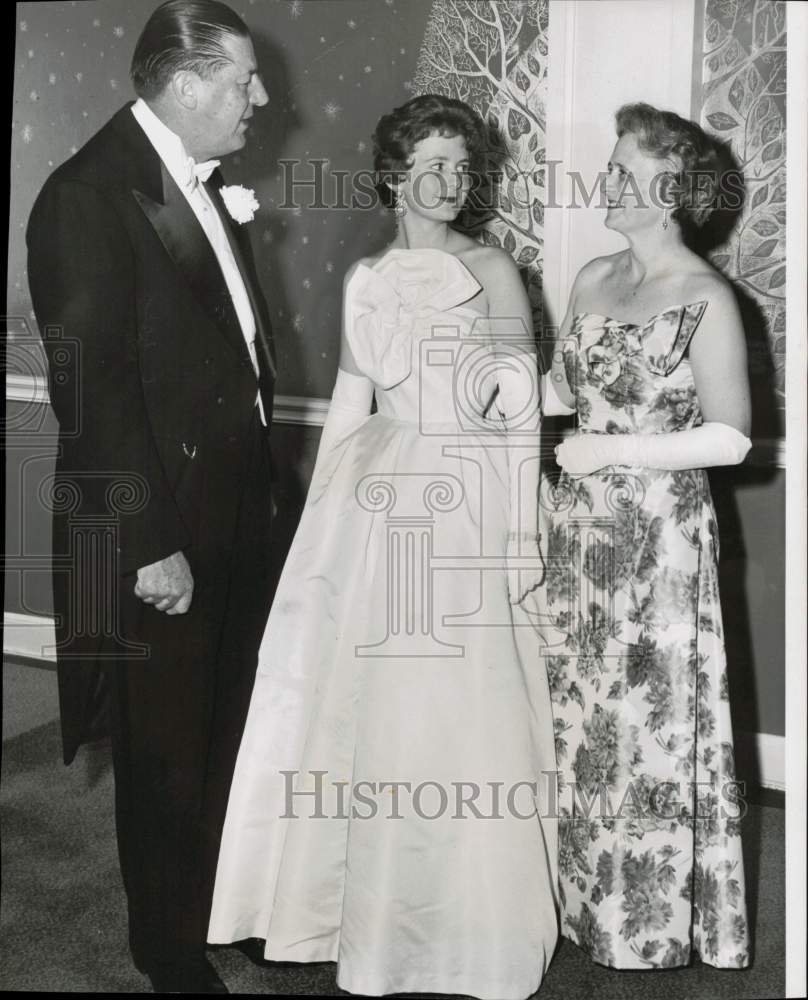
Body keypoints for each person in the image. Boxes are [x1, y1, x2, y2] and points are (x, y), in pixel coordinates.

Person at [208, 94, 559, 999]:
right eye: (430, 166)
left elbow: (519, 418)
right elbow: (352, 399)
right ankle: (340, 910)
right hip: (375, 498)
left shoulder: (495, 270)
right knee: (353, 698)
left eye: (461, 166)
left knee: (454, 708)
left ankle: (460, 922)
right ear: (395, 176)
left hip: (469, 494)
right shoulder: (366, 276)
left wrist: (517, 535)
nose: (448, 183)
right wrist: (316, 523)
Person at [26, 1, 275, 991]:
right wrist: (146, 543)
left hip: (234, 507)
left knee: (228, 726)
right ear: (182, 83)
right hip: (157, 527)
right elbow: (95, 392)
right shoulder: (86, 195)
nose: (259, 96)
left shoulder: (199, 184)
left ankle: (219, 902)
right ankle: (166, 945)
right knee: (166, 746)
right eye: (243, 79)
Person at [539, 102, 751, 969]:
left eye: (625, 170)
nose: (608, 181)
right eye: (611, 163)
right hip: (580, 532)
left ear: (673, 192)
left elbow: (732, 435)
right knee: (578, 718)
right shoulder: (592, 277)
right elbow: (562, 391)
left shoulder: (706, 298)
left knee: (644, 726)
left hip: (660, 539)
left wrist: (612, 449)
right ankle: (573, 905)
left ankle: (645, 925)